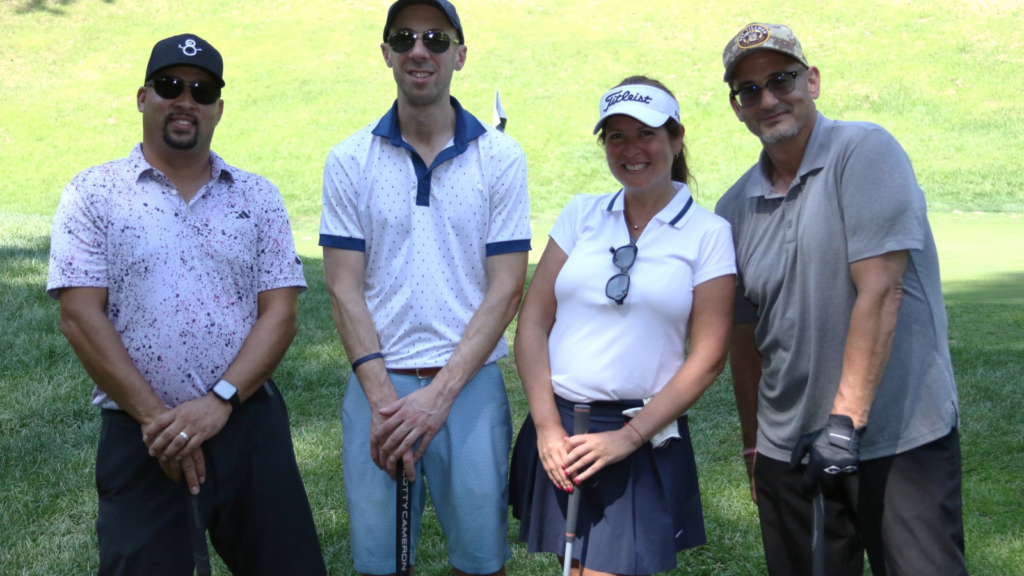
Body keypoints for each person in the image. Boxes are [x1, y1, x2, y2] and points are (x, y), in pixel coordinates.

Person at [46, 34, 326, 576]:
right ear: (142, 97)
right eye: (171, 86)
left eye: (202, 91)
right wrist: (160, 421)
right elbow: (80, 316)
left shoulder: (258, 196)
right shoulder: (93, 193)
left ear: (218, 108)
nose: (186, 101)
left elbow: (281, 314)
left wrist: (218, 402)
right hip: (141, 433)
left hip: (246, 422)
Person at [715, 23, 968, 576]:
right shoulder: (733, 208)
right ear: (736, 108)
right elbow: (743, 337)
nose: (768, 99)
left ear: (812, 81)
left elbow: (881, 290)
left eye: (780, 79)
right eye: (749, 90)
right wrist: (756, 444)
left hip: (896, 437)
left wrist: (844, 425)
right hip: (790, 450)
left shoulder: (865, 151)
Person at [318, 1, 531, 574]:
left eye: (437, 39)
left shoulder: (501, 158)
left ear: (460, 55)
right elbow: (342, 288)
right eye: (405, 37)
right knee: (382, 565)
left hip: (469, 390)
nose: (420, 50)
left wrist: (439, 397)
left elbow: (507, 288)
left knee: (482, 563)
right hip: (376, 390)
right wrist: (386, 403)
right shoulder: (348, 159)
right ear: (386, 52)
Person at [509, 77, 737, 576]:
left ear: (676, 139)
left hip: (639, 433)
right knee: (573, 569)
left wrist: (629, 437)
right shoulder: (580, 214)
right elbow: (532, 323)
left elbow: (709, 358)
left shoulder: (709, 234)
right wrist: (547, 426)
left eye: (646, 133)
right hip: (561, 429)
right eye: (615, 136)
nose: (631, 150)